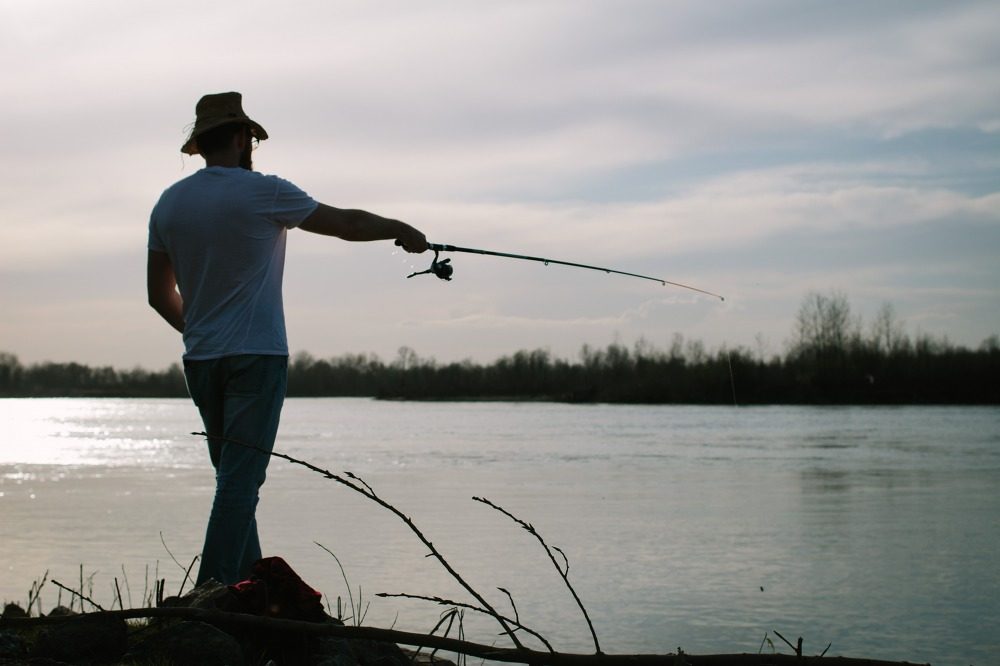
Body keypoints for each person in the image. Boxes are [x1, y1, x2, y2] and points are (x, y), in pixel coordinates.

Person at [147, 91, 427, 586]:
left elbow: (158, 294)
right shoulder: (264, 192)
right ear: (240, 137)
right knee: (239, 484)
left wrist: (200, 331)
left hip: (202, 361)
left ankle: (248, 588)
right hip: (257, 357)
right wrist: (400, 229)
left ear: (201, 143)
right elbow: (345, 224)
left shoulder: (169, 204)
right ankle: (210, 598)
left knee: (234, 483)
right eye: (250, 138)